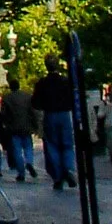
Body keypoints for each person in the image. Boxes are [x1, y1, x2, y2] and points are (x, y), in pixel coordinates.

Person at [32, 59, 77, 191]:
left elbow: (35, 102)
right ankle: (68, 168)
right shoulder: (65, 81)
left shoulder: (42, 83)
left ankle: (58, 176)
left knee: (52, 146)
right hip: (64, 114)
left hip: (50, 115)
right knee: (67, 144)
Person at [0, 73, 38, 180]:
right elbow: (32, 112)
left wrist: (4, 124)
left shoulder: (6, 98)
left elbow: (3, 114)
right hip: (26, 126)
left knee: (17, 150)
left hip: (13, 128)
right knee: (28, 146)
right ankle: (29, 161)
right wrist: (35, 125)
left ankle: (21, 173)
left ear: (10, 87)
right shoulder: (27, 96)